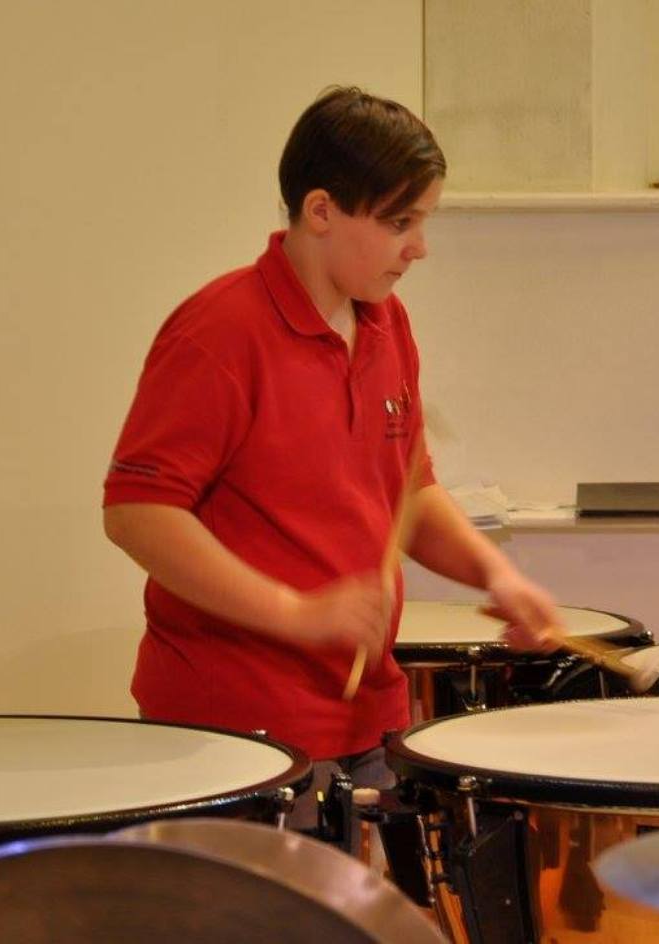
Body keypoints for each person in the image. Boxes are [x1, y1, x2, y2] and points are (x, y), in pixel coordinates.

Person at [102, 86, 562, 830]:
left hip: (363, 717)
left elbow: (410, 492)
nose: (419, 247)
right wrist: (297, 613)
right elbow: (138, 514)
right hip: (235, 733)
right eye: (399, 223)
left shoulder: (387, 324)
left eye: (423, 222)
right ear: (321, 210)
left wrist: (496, 575)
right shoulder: (220, 332)